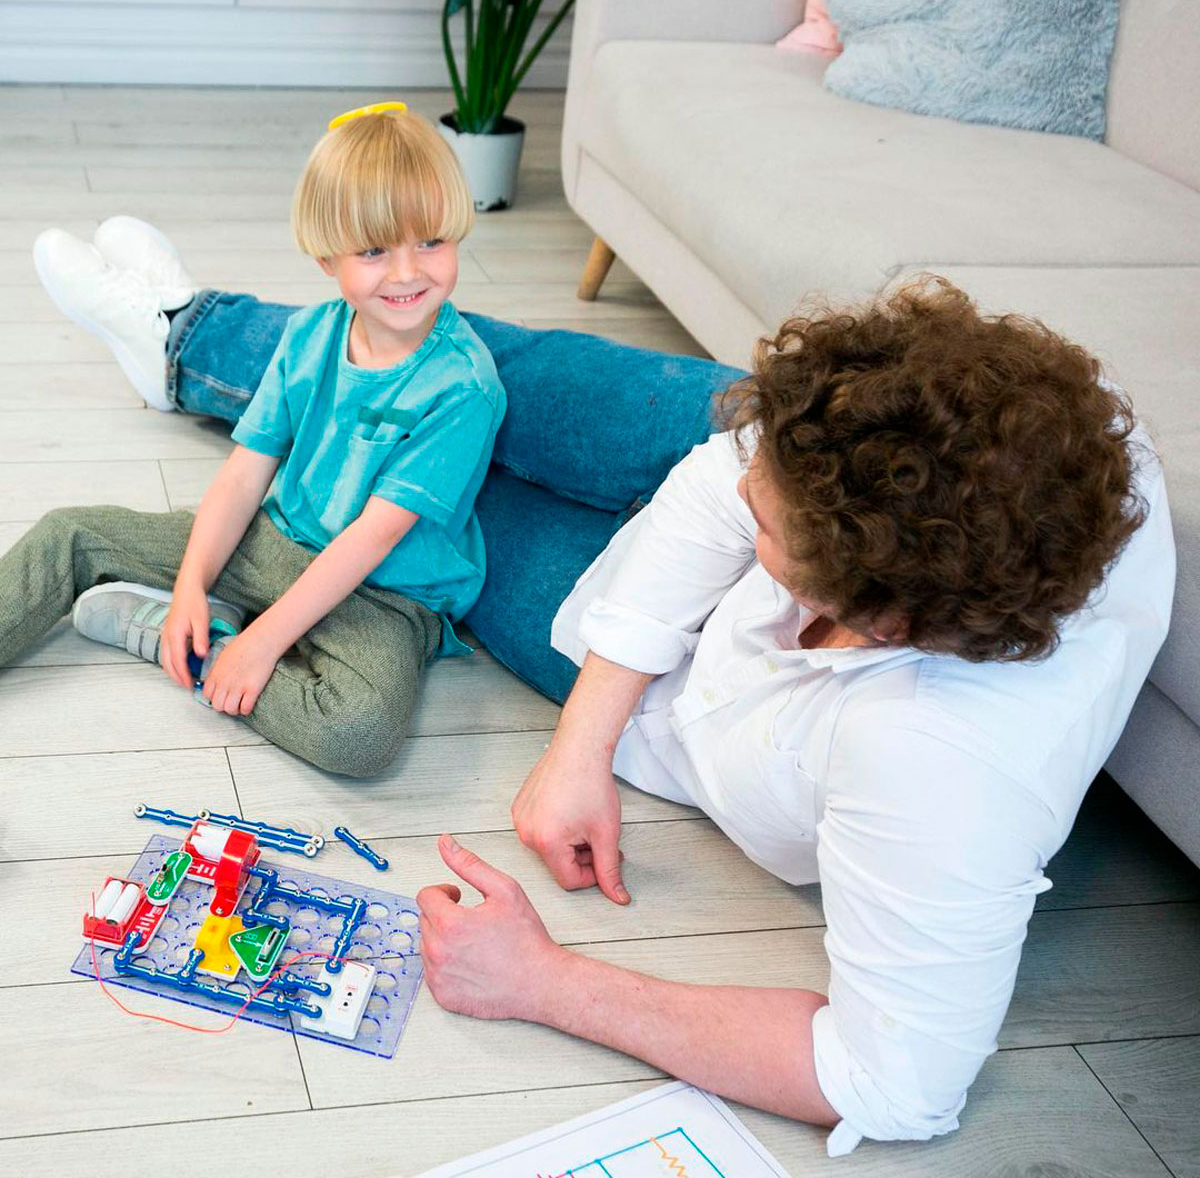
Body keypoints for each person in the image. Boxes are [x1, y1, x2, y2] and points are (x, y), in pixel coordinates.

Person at [28, 206, 1173, 1152]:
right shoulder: (997, 435)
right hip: (745, 603)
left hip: (693, 699)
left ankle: (199, 375)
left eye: (766, 527)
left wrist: (546, 983)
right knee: (478, 363)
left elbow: (893, 1082)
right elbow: (726, 472)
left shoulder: (946, 768)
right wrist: (578, 743)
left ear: (868, 616)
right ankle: (185, 339)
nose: (744, 490)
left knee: (437, 492)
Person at [8, 105, 506, 776]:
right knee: (69, 531)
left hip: (386, 596)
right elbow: (245, 474)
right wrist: (191, 581)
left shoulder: (465, 387)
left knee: (358, 733)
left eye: (431, 242)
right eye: (374, 250)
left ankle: (193, 640)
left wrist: (261, 644)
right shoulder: (308, 335)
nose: (407, 272)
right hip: (276, 543)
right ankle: (202, 611)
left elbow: (372, 539)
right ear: (328, 258)